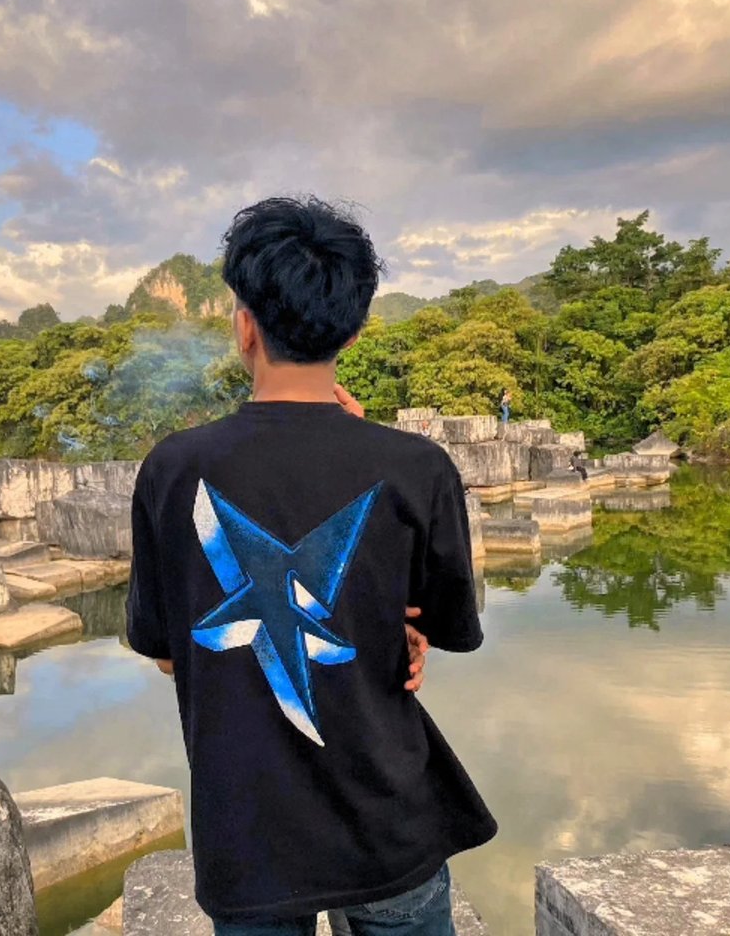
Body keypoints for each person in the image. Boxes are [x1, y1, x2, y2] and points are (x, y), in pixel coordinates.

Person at [127, 196, 496, 935]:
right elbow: (442, 625)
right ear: (353, 331)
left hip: (248, 835)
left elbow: (171, 654)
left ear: (244, 326)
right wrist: (400, 633)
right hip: (386, 821)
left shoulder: (172, 469)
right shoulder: (416, 467)